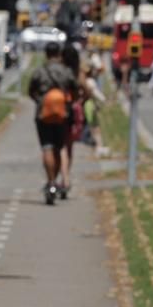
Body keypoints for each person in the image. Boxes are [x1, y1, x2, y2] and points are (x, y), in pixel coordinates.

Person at [28, 42, 77, 205]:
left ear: (46, 53)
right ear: (58, 54)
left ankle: (50, 182)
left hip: (43, 114)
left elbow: (31, 90)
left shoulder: (40, 71)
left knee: (47, 147)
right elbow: (75, 89)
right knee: (58, 147)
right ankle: (54, 181)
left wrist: (40, 101)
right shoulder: (66, 71)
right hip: (63, 115)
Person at [60, 44, 83, 196]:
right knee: (69, 146)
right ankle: (66, 176)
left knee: (60, 146)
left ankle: (63, 177)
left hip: (60, 108)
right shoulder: (77, 73)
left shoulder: (61, 72)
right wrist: (79, 101)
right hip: (74, 111)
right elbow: (85, 89)